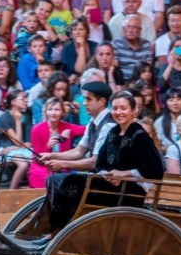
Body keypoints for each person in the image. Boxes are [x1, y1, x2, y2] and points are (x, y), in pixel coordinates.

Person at [43, 90, 163, 238]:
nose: (118, 112)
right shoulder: (113, 132)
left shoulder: (140, 135)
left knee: (72, 182)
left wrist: (123, 174)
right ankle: (56, 230)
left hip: (128, 192)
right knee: (64, 181)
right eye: (115, 108)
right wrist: (107, 175)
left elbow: (155, 169)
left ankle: (58, 233)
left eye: (123, 108)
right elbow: (100, 164)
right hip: (110, 186)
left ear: (134, 110)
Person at [110, 15, 151, 87]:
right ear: (123, 29)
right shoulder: (116, 44)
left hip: (140, 83)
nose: (131, 30)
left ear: (140, 30)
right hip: (122, 83)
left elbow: (147, 67)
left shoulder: (146, 44)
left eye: (134, 27)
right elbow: (115, 70)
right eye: (128, 27)